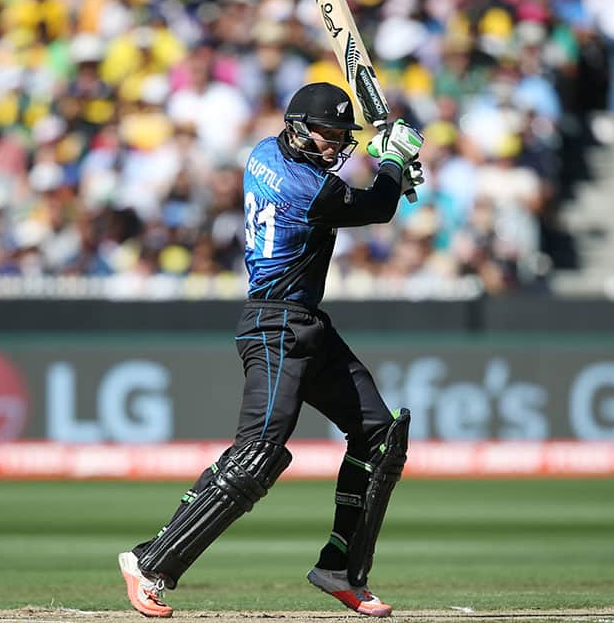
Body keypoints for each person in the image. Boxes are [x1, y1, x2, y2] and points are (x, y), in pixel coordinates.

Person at [117, 82, 424, 618]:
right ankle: (151, 563)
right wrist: (393, 162)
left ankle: (342, 570)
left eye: (341, 136)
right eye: (328, 135)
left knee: (379, 434)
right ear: (300, 129)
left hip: (306, 325)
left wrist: (384, 159)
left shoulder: (263, 151)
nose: (336, 145)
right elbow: (376, 209)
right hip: (275, 326)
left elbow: (362, 193)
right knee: (256, 456)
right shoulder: (304, 189)